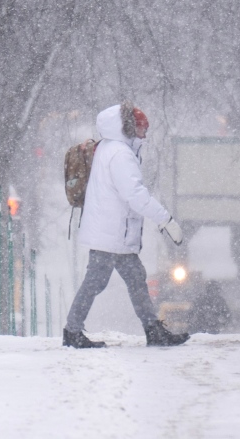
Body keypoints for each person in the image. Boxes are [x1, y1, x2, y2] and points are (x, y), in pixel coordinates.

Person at [63, 102, 189, 349]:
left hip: (113, 232)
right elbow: (135, 195)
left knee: (135, 278)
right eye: (143, 128)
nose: (146, 134)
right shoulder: (120, 154)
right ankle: (72, 331)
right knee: (96, 282)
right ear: (131, 129)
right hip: (111, 234)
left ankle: (152, 330)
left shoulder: (109, 148)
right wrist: (165, 219)